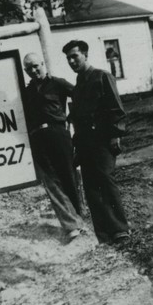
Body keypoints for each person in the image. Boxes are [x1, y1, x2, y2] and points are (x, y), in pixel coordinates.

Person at [62, 40, 130, 244]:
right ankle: (104, 234)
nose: (72, 61)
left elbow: (116, 109)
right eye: (68, 58)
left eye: (75, 56)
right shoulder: (78, 86)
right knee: (91, 188)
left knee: (106, 182)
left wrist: (115, 135)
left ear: (85, 54)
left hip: (101, 140)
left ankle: (120, 230)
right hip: (84, 143)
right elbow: (76, 117)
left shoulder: (102, 77)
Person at [23, 52, 85, 242]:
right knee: (51, 182)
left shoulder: (58, 83)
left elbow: (81, 96)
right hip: (37, 139)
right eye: (29, 69)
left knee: (68, 176)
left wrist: (73, 119)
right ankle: (71, 225)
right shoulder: (26, 91)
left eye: (36, 66)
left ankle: (79, 216)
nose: (34, 71)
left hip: (59, 134)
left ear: (43, 64)